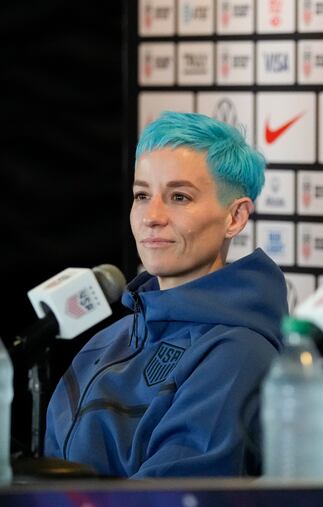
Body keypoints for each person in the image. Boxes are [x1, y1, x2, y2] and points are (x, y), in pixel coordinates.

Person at [44, 112, 288, 477]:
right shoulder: (107, 341)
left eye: (179, 197)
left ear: (234, 218)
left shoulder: (239, 355)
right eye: (142, 195)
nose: (151, 216)